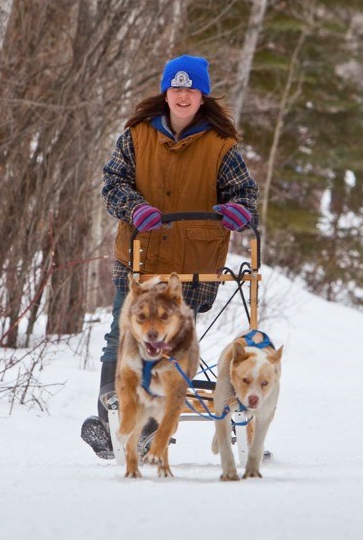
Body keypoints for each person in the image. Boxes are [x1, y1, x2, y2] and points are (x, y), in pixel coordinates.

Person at [80, 54, 259, 459]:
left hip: (194, 264)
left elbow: (246, 194)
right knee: (122, 334)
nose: (182, 95)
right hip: (140, 260)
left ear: (201, 96)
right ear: (166, 92)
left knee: (174, 338)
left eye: (190, 89)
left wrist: (240, 211)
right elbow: (112, 184)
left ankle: (158, 421)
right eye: (176, 88)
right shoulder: (136, 136)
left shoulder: (220, 146)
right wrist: (134, 207)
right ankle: (113, 418)